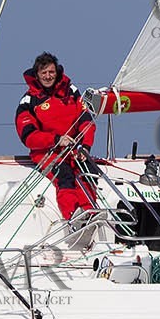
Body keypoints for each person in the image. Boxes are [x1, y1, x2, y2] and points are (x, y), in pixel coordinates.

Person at [14, 52, 98, 219]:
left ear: (57, 72)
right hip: (48, 153)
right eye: (43, 73)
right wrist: (56, 140)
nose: (48, 76)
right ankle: (73, 216)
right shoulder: (28, 101)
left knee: (88, 171)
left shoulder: (72, 92)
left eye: (51, 72)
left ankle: (89, 212)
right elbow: (28, 137)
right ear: (37, 75)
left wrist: (86, 147)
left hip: (74, 150)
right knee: (65, 176)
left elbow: (86, 120)